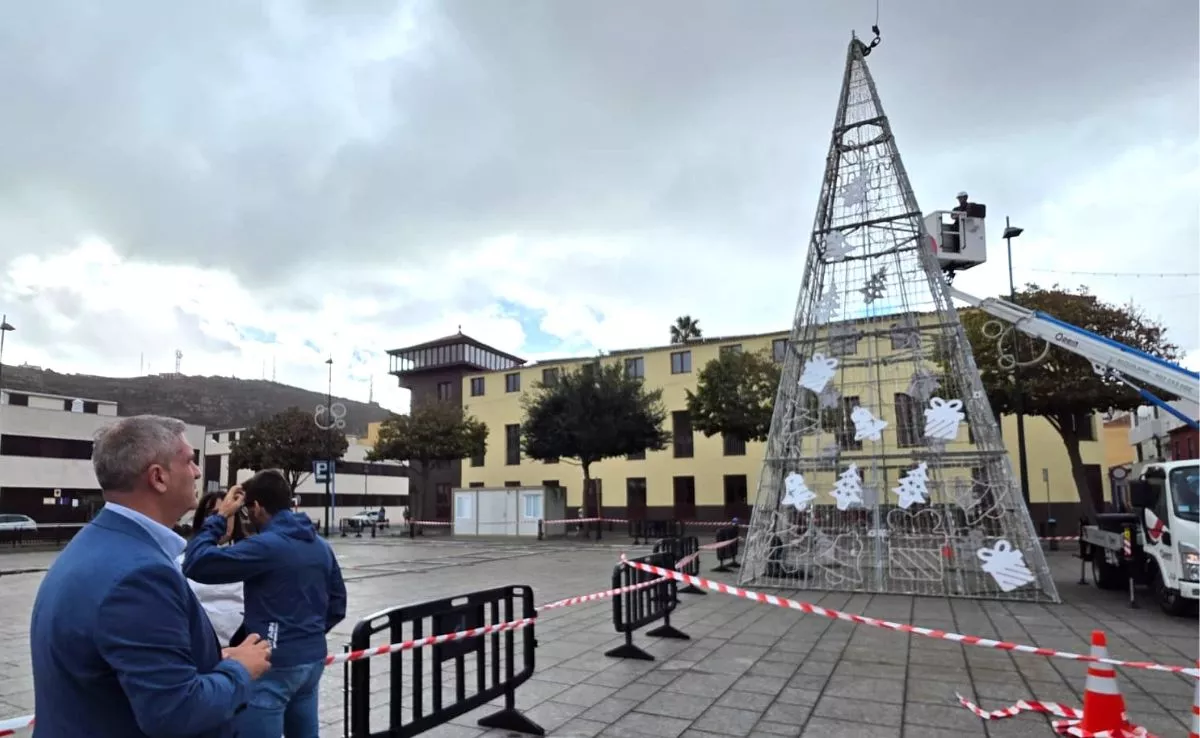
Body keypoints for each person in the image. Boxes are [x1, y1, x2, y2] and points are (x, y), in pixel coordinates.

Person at [30, 415, 272, 738]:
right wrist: (239, 670)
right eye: (189, 461)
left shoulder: (95, 544)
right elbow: (176, 713)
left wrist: (211, 662)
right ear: (158, 477)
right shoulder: (140, 576)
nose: (198, 472)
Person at [183, 469, 347, 738]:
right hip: (311, 660)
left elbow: (196, 563)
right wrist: (305, 635)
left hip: (272, 664)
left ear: (257, 507)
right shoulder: (320, 545)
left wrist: (221, 516)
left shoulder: (267, 546)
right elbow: (338, 604)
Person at [179, 489, 250, 647]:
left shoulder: (251, 557)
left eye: (227, 513)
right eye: (213, 514)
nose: (221, 518)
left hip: (242, 651)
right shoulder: (181, 561)